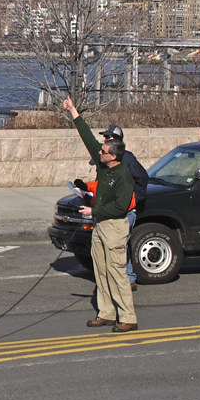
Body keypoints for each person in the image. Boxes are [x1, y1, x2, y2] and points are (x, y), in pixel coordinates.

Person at [63, 97, 138, 333]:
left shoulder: (124, 176)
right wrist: (73, 111)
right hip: (100, 226)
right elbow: (87, 137)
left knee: (117, 272)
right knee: (101, 271)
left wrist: (93, 210)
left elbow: (120, 207)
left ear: (113, 156)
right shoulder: (104, 165)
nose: (100, 151)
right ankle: (106, 312)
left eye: (104, 151)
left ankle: (128, 317)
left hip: (115, 227)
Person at [98, 125, 149, 291]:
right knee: (116, 247)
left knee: (119, 247)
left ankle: (126, 280)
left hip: (124, 212)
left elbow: (142, 177)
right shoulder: (105, 158)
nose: (104, 139)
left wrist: (133, 200)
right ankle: (124, 278)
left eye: (108, 137)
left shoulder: (127, 159)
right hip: (109, 210)